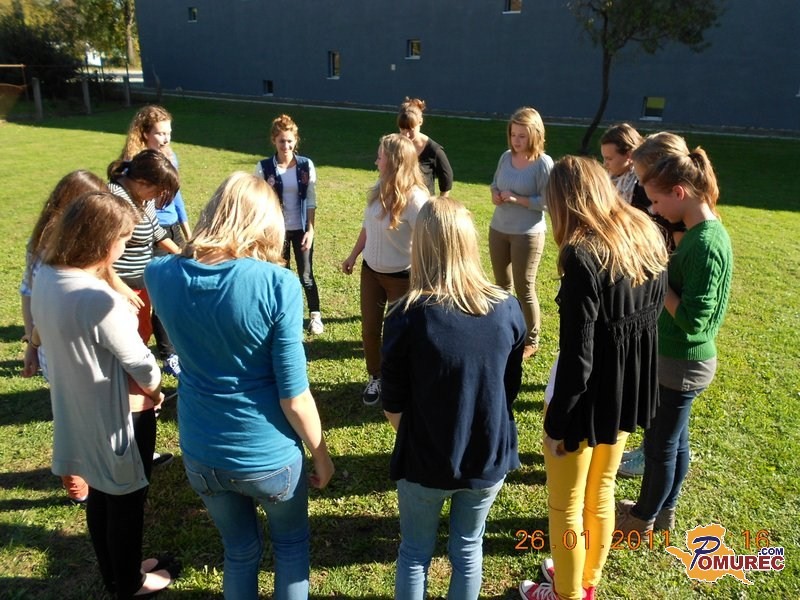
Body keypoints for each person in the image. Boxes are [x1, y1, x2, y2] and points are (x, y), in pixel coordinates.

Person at [145, 172, 334, 600]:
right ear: (264, 222)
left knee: (239, 552)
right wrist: (321, 455)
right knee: (290, 547)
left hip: (201, 450)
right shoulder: (278, 284)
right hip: (269, 456)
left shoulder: (160, 274)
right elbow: (294, 396)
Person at [518, 157, 668, 600]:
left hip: (585, 402)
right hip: (626, 393)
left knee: (565, 505)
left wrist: (557, 425)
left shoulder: (582, 255)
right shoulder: (644, 230)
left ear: (564, 202)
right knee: (601, 490)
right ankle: (585, 579)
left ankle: (567, 592)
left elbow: (577, 357)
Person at [31, 190, 179, 598]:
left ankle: (114, 574)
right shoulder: (97, 299)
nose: (125, 247)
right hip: (118, 414)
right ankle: (130, 583)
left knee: (100, 492)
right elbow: (142, 363)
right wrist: (156, 390)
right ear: (101, 239)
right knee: (127, 500)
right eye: (123, 239)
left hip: (76, 406)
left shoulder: (49, 276)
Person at [382, 197, 526, 599]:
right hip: (487, 455)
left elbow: (392, 401)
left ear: (420, 245)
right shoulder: (507, 308)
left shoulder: (405, 315)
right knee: (468, 548)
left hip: (424, 461)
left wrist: (417, 435)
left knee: (415, 553)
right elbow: (508, 388)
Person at [615, 143, 733, 536]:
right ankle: (663, 513)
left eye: (655, 200)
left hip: (681, 363)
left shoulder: (705, 244)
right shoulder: (701, 234)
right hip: (677, 360)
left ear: (679, 192)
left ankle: (642, 518)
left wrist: (657, 276)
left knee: (659, 447)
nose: (652, 209)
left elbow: (695, 321)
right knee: (675, 443)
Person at [20, 170, 107, 504]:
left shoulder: (60, 236)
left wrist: (32, 343)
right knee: (74, 414)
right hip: (64, 342)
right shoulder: (55, 245)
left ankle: (88, 469)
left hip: (52, 340)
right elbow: (29, 293)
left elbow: (28, 292)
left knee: (73, 410)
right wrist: (32, 343)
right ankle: (76, 477)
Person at [616, 131, 691, 479]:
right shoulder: (654, 199)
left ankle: (655, 451)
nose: (641, 186)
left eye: (644, 176)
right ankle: (653, 445)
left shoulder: (681, 218)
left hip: (664, 302)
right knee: (657, 388)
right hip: (650, 292)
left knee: (667, 394)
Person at [341, 133, 429, 406]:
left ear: (394, 162)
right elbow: (368, 227)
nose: (376, 161)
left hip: (402, 278)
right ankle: (375, 376)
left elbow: (428, 240)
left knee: (400, 334)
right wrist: (354, 255)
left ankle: (402, 381)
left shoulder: (415, 199)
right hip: (371, 273)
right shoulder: (378, 188)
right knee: (369, 330)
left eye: (380, 157)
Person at [121, 104, 192, 377]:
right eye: (160, 133)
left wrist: (186, 235)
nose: (166, 139)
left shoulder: (170, 158)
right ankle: (164, 353)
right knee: (157, 294)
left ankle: (169, 349)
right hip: (148, 236)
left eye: (169, 133)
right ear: (144, 134)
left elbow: (177, 197)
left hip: (168, 230)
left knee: (172, 290)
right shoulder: (135, 169)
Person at [489, 107, 553, 359]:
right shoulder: (506, 157)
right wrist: (495, 194)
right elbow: (494, 183)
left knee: (524, 287)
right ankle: (504, 328)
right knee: (501, 285)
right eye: (513, 135)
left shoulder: (543, 163)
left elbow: (548, 201)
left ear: (535, 135)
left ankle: (531, 340)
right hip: (498, 228)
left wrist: (518, 199)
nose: (516, 140)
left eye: (522, 136)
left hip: (527, 233)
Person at [256, 114, 324, 335]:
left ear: (296, 141)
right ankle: (283, 316)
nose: (286, 146)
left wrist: (310, 230)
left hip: (301, 229)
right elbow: (259, 201)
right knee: (280, 275)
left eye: (289, 141)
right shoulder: (264, 167)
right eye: (281, 141)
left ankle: (315, 315)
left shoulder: (305, 165)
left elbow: (311, 200)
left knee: (306, 275)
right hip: (277, 231)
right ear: (273, 141)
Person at [397, 97, 454, 196]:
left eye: (410, 129)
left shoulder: (434, 150)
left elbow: (446, 180)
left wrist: (439, 202)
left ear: (420, 122)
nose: (406, 135)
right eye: (402, 129)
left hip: (423, 202)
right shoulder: (394, 146)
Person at [598, 123, 650, 211]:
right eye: (604, 158)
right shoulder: (605, 181)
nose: (605, 164)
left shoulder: (644, 185)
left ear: (630, 155)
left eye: (609, 159)